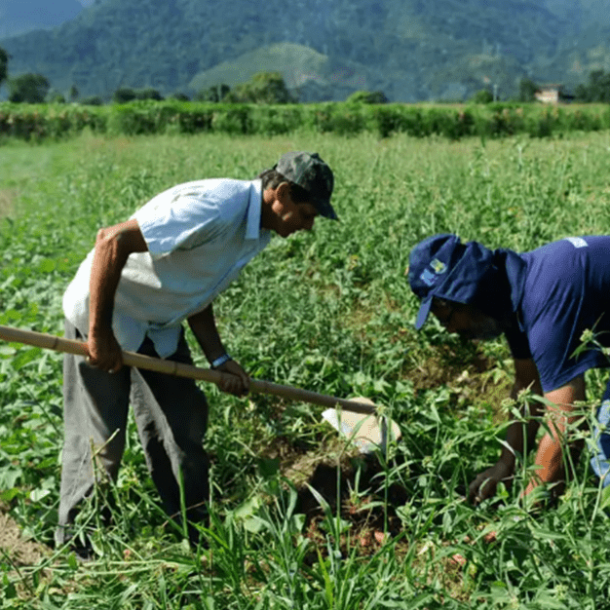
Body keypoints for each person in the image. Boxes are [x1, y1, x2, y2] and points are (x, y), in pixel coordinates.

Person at [57, 151, 337, 553]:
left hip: (159, 325)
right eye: (307, 214)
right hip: (105, 313)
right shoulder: (217, 207)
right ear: (283, 193)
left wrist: (219, 359)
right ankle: (78, 548)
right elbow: (111, 240)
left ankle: (194, 535)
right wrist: (99, 335)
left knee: (182, 426)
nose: (308, 226)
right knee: (102, 443)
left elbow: (197, 289)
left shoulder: (255, 231)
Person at [408, 233, 610, 504]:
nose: (451, 330)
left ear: (465, 294)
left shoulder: (545, 301)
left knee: (605, 454)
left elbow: (567, 420)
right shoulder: (513, 297)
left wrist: (524, 514)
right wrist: (506, 463)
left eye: (446, 319)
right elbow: (528, 386)